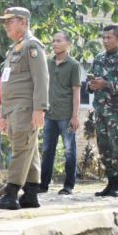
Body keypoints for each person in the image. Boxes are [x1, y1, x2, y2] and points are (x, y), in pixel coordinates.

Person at [0, 7, 49, 210]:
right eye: (4, 21)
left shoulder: (32, 46)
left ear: (23, 22)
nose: (6, 25)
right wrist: (3, 113)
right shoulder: (14, 49)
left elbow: (41, 79)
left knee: (21, 149)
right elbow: (6, 83)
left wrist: (40, 108)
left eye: (10, 21)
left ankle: (12, 193)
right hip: (13, 108)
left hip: (26, 107)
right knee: (28, 150)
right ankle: (31, 194)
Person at [88, 24, 118, 197]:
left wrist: (106, 84)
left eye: (109, 37)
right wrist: (91, 85)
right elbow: (91, 79)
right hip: (101, 110)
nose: (105, 41)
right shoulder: (99, 58)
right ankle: (110, 183)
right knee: (104, 147)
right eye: (104, 37)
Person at [40, 31, 81, 195]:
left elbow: (76, 91)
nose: (55, 44)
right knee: (47, 150)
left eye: (58, 41)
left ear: (68, 43)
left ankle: (69, 186)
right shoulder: (47, 63)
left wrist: (75, 115)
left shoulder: (74, 65)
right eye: (53, 41)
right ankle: (43, 185)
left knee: (69, 151)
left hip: (66, 115)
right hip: (49, 115)